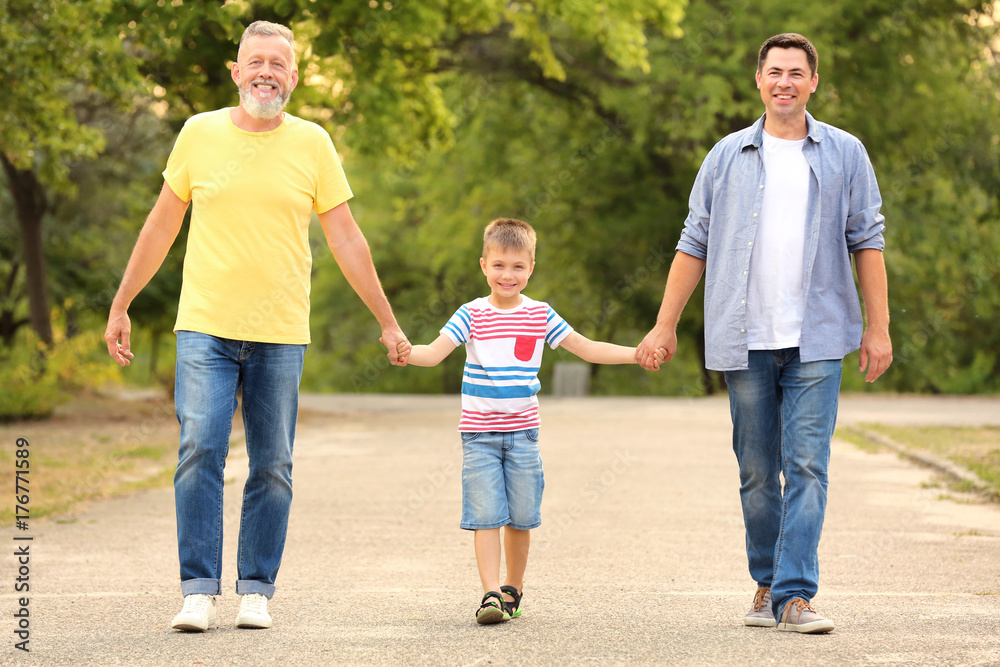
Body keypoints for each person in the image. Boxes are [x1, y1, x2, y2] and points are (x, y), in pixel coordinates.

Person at [104, 20, 410, 632]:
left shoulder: (314, 143)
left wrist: (388, 322)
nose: (266, 71)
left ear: (293, 77)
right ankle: (197, 589)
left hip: (279, 333)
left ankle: (256, 589)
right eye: (255, 61)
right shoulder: (198, 134)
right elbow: (161, 225)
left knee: (272, 463)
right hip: (205, 327)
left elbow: (346, 237)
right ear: (237, 71)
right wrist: (121, 303)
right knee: (200, 451)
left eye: (278, 62)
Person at [636, 33, 892, 634]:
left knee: (807, 466)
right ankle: (766, 581)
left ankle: (796, 595)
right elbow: (692, 243)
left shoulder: (845, 153)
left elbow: (869, 241)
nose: (785, 82)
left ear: (813, 82)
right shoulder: (725, 156)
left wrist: (877, 330)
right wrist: (665, 322)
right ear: (759, 80)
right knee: (756, 470)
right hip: (743, 338)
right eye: (774, 71)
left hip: (819, 338)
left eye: (796, 72)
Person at [399, 218, 665, 624]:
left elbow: (587, 348)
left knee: (521, 518)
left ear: (531, 268)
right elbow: (433, 353)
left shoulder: (540, 315)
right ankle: (489, 594)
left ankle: (512, 590)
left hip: (523, 436)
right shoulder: (470, 314)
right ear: (483, 265)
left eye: (518, 266)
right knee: (486, 515)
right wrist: (404, 350)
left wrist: (637, 352)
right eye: (500, 265)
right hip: (480, 435)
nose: (508, 275)